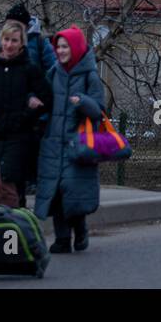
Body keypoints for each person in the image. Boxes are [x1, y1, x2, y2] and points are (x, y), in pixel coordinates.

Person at [35, 26, 106, 253]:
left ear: (75, 48)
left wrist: (81, 101)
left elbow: (98, 111)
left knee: (72, 192)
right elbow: (43, 96)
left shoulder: (90, 76)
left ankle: (81, 230)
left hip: (79, 146)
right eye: (58, 47)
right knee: (56, 194)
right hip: (54, 142)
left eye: (65, 46)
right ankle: (62, 239)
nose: (61, 51)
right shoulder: (54, 72)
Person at [0, 20, 50, 207]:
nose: (9, 45)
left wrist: (30, 113)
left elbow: (47, 99)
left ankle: (14, 226)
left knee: (6, 180)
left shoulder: (29, 69)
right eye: (6, 40)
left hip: (18, 137)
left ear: (22, 44)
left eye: (14, 41)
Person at [0, 3, 57, 80]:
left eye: (17, 26)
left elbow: (53, 70)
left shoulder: (40, 42)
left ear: (27, 26)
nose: (12, 29)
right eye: (9, 25)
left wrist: (41, 92)